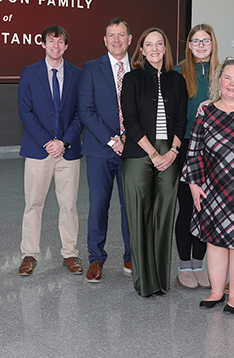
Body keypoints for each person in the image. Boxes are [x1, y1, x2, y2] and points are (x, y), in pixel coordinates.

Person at [183, 58, 234, 314]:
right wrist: (194, 184)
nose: (232, 84)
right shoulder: (206, 111)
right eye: (228, 78)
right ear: (219, 81)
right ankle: (217, 291)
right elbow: (194, 151)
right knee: (214, 242)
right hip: (213, 188)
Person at [121, 27, 187, 298]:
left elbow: (182, 120)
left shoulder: (177, 80)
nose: (155, 48)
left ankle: (160, 280)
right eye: (149, 44)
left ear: (166, 49)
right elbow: (131, 121)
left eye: (160, 43)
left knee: (163, 217)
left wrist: (172, 152)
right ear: (141, 50)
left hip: (170, 154)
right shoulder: (132, 78)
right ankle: (144, 281)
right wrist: (154, 154)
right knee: (140, 217)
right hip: (140, 153)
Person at [17, 25, 84, 277]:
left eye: (60, 42)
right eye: (51, 41)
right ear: (43, 44)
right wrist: (48, 142)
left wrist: (64, 142)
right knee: (33, 204)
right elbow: (25, 111)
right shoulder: (29, 73)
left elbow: (81, 112)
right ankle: (29, 254)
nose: (56, 46)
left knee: (69, 205)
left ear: (66, 46)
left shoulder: (78, 75)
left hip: (69, 151)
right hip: (38, 151)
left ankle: (70, 253)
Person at [79, 18, 133, 283]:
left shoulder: (141, 68)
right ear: (104, 40)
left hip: (133, 151)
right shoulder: (91, 68)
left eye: (121, 35)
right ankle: (96, 259)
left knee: (130, 206)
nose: (116, 40)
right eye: (111, 35)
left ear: (129, 39)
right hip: (100, 149)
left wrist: (130, 140)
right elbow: (86, 111)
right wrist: (113, 140)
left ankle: (131, 256)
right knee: (98, 205)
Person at [173, 24, 220, 289]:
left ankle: (199, 264)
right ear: (189, 45)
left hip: (215, 148)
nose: (201, 46)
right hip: (187, 145)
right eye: (195, 41)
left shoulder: (223, 72)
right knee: (187, 206)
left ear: (213, 43)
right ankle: (184, 264)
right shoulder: (179, 73)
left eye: (206, 41)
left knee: (206, 208)